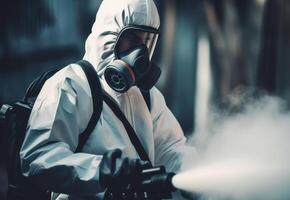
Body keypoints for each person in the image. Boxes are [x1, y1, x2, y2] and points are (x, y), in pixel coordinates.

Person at [19, 0, 193, 199]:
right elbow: (38, 157)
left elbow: (171, 149)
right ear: (109, 36)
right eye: (132, 38)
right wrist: (101, 171)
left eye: (147, 41)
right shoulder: (70, 85)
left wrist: (195, 172)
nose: (141, 53)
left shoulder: (148, 96)